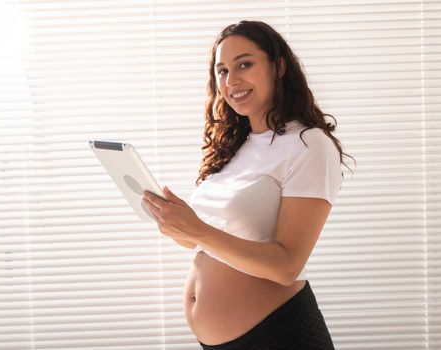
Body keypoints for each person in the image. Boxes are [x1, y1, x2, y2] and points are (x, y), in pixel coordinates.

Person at [142, 20, 354, 350]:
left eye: (244, 64)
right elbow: (220, 241)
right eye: (222, 71)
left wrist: (197, 230)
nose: (232, 80)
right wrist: (179, 227)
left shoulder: (308, 144)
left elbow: (286, 267)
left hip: (281, 336)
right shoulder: (235, 147)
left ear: (278, 66)